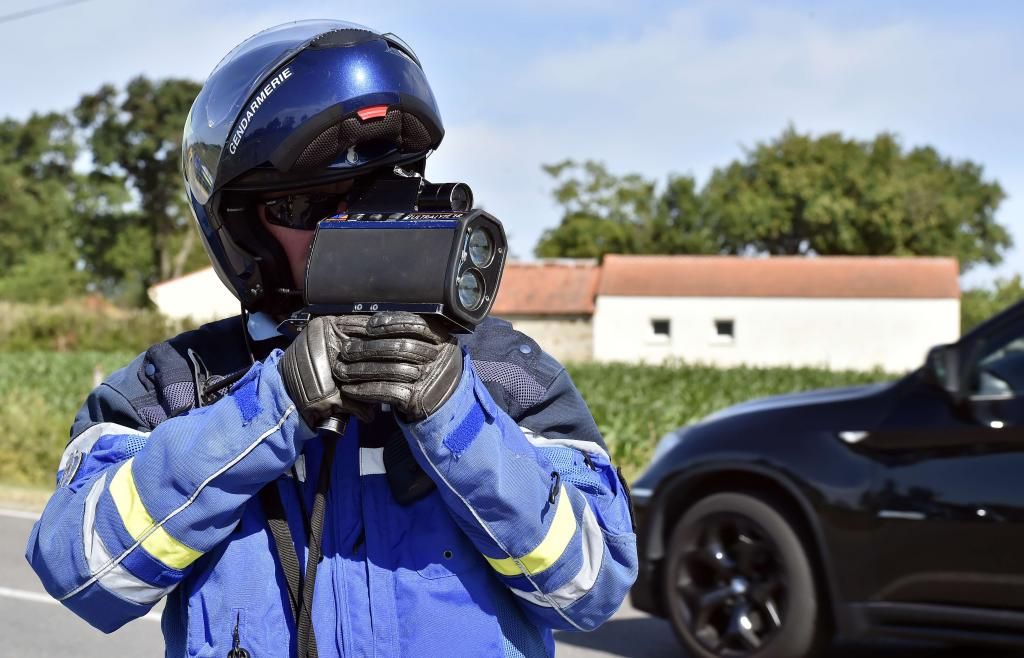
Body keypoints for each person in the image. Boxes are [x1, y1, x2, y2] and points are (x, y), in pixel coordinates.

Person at [26, 20, 637, 658]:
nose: (348, 227)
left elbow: (590, 591)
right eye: (307, 207)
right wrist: (271, 408)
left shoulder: (502, 372)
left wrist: (455, 417)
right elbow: (83, 574)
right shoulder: (182, 382)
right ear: (244, 230)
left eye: (376, 195)